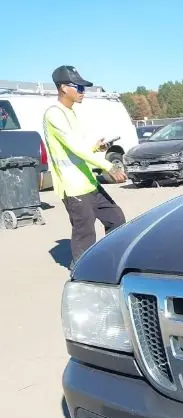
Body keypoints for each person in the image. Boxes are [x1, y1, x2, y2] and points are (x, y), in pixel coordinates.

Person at [43, 65, 128, 270]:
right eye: (78, 87)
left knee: (116, 219)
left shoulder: (70, 113)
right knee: (85, 232)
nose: (83, 92)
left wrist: (95, 148)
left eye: (84, 88)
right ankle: (82, 272)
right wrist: (110, 167)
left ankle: (109, 258)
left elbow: (76, 150)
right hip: (73, 187)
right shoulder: (54, 115)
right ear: (63, 88)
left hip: (88, 182)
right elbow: (75, 148)